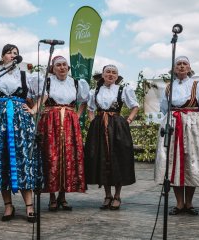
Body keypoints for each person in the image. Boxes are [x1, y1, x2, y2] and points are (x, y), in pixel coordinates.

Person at [0, 44, 43, 222]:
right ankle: (8, 206)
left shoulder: (26, 76)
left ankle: (29, 206)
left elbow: (44, 93)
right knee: (1, 159)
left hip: (21, 122)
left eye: (16, 53)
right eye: (10, 53)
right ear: (2, 56)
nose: (13, 55)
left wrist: (34, 109)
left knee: (24, 159)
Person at [154, 56, 199, 215]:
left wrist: (198, 121)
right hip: (172, 123)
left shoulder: (196, 85)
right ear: (174, 68)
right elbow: (164, 107)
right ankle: (179, 203)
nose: (181, 66)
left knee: (191, 161)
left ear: (189, 67)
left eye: (184, 64)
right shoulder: (168, 87)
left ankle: (189, 203)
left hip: (192, 124)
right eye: (178, 64)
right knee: (173, 162)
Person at [37, 55, 89, 211]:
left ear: (68, 67)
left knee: (68, 157)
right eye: (58, 65)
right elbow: (32, 98)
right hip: (50, 123)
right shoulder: (46, 81)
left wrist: (77, 116)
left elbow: (84, 101)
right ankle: (52, 197)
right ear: (52, 68)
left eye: (64, 65)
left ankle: (63, 196)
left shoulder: (76, 83)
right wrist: (41, 112)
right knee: (50, 157)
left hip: (69, 123)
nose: (62, 67)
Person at [85, 64, 139, 210]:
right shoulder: (94, 91)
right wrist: (93, 122)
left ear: (117, 76)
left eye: (114, 73)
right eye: (108, 72)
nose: (111, 74)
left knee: (118, 158)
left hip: (117, 126)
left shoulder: (123, 89)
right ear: (102, 75)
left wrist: (128, 121)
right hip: (99, 127)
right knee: (103, 159)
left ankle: (117, 196)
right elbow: (90, 109)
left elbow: (135, 106)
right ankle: (107, 195)